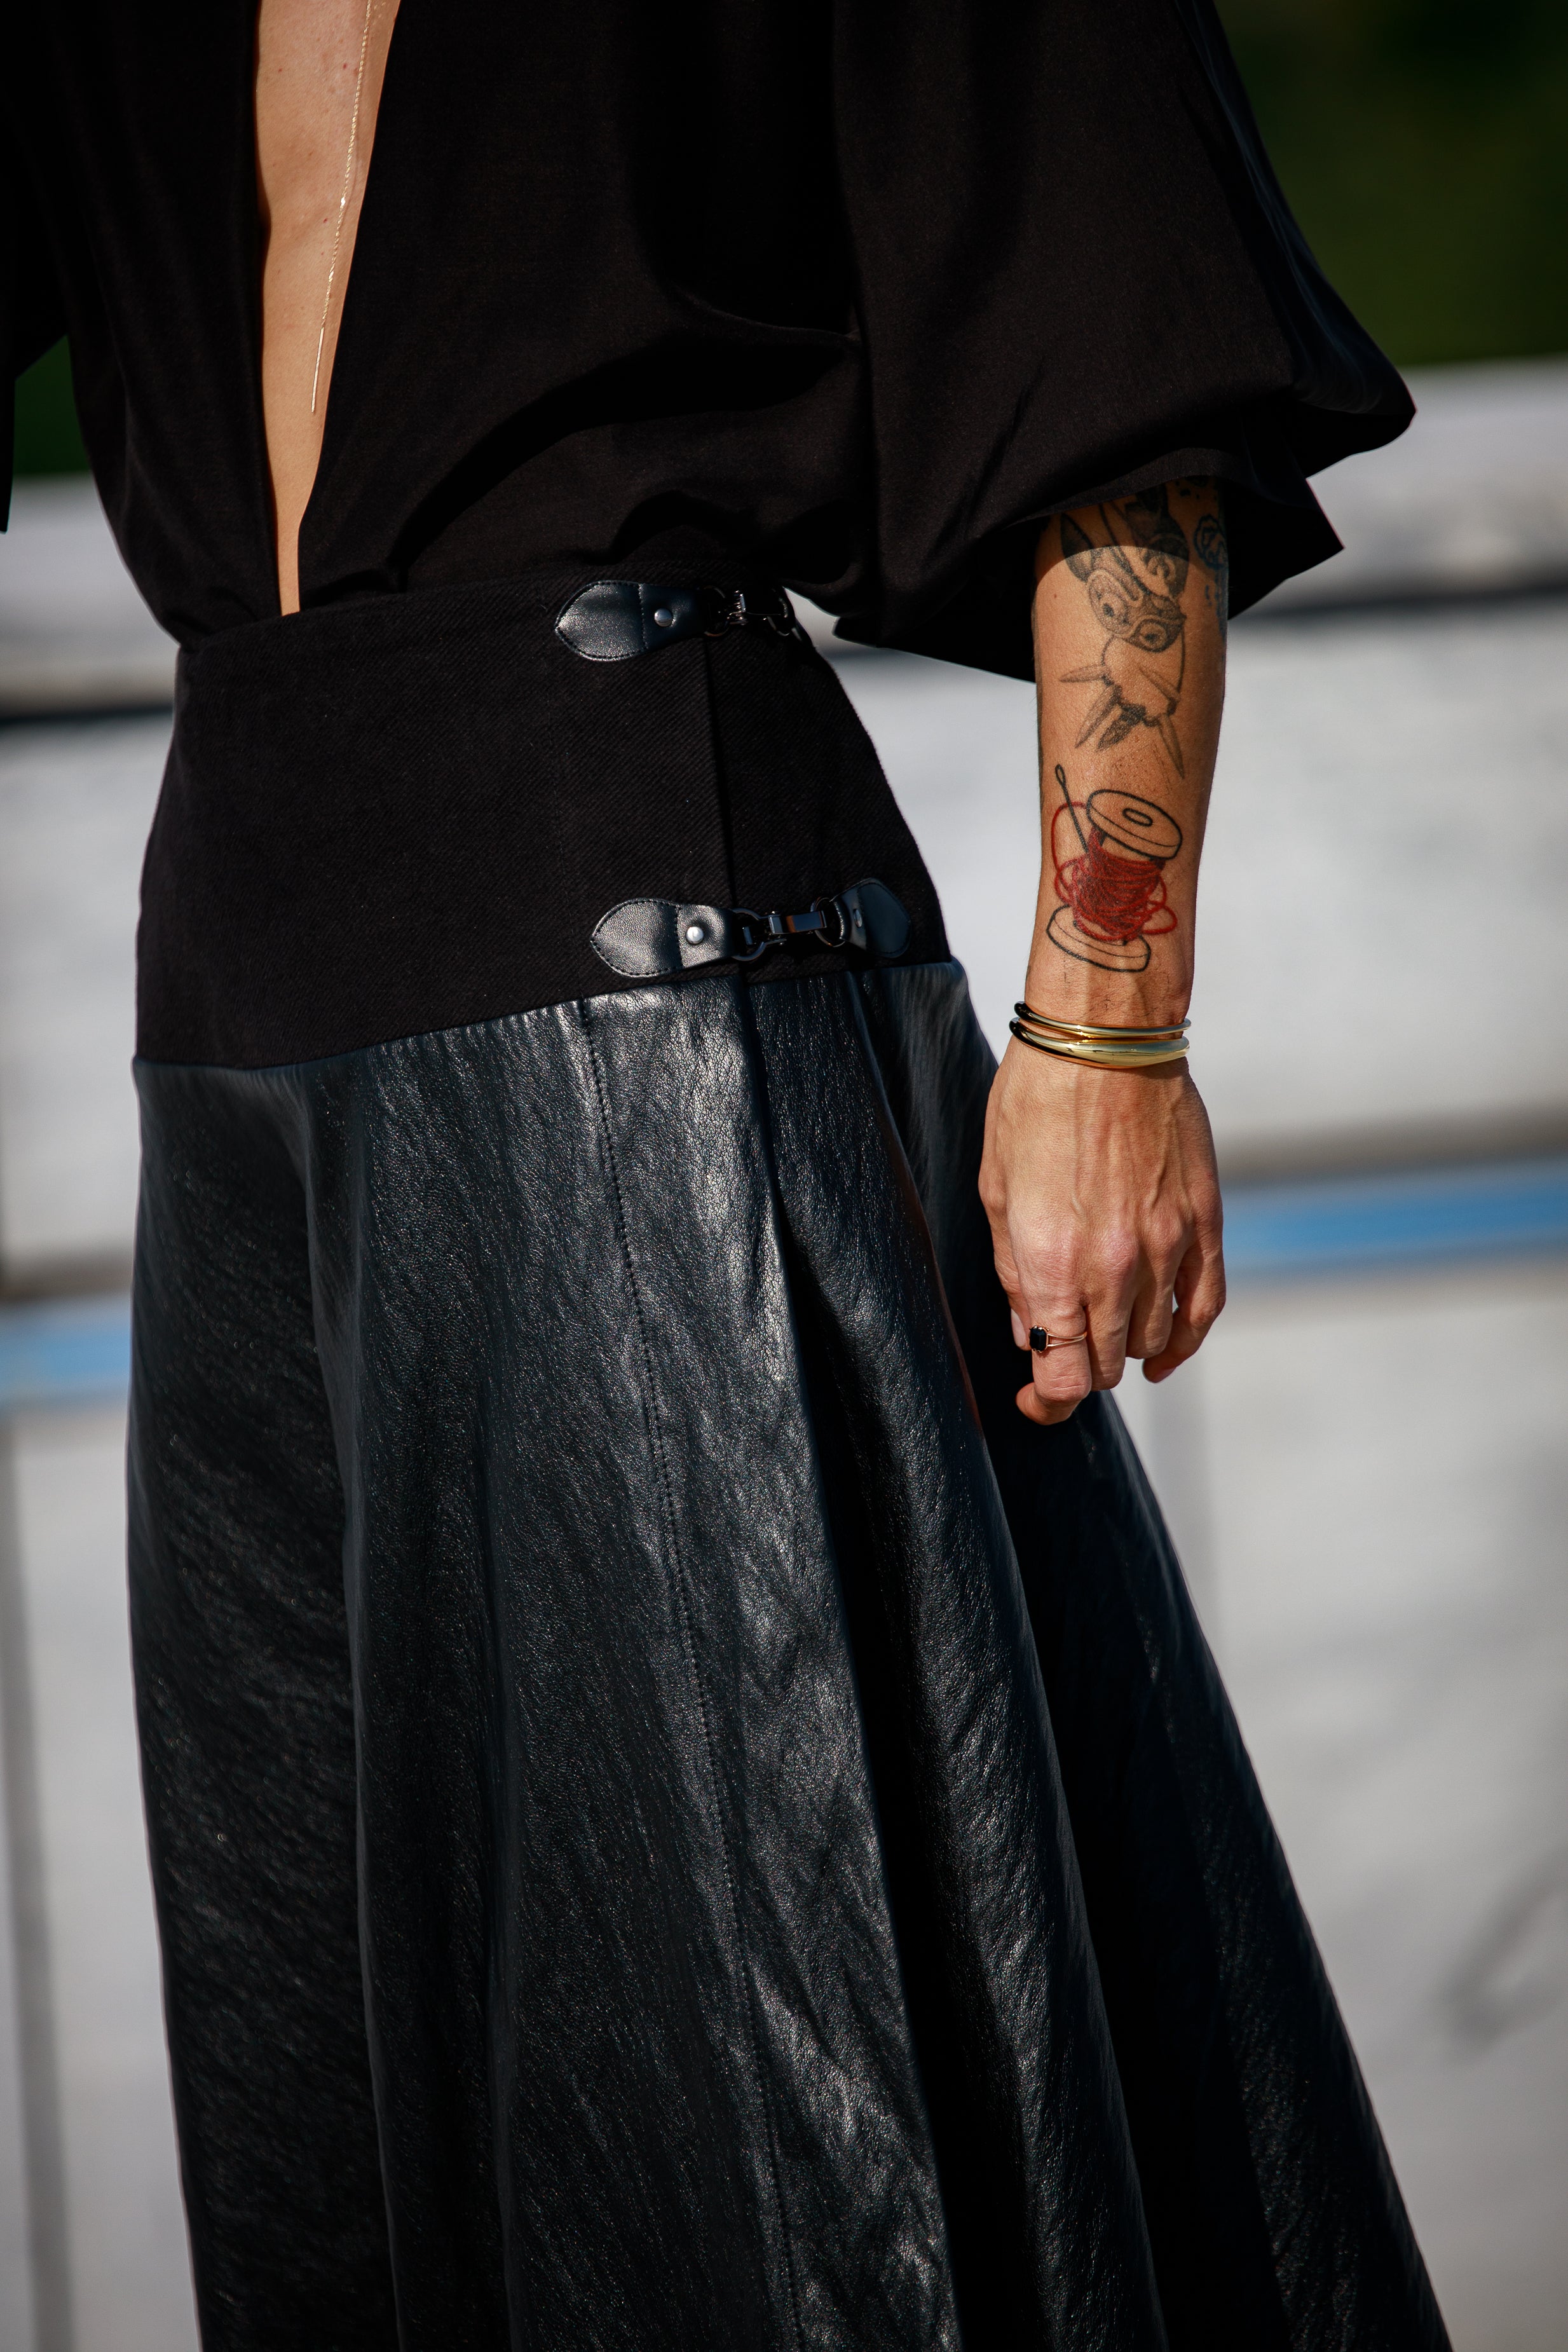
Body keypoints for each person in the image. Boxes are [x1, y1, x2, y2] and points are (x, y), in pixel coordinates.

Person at [4, 1, 1449, 2345]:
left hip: (653, 994)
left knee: (775, 2136)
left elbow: (1116, 342)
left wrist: (1105, 1031)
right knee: (331, 2144)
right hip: (237, 1035)